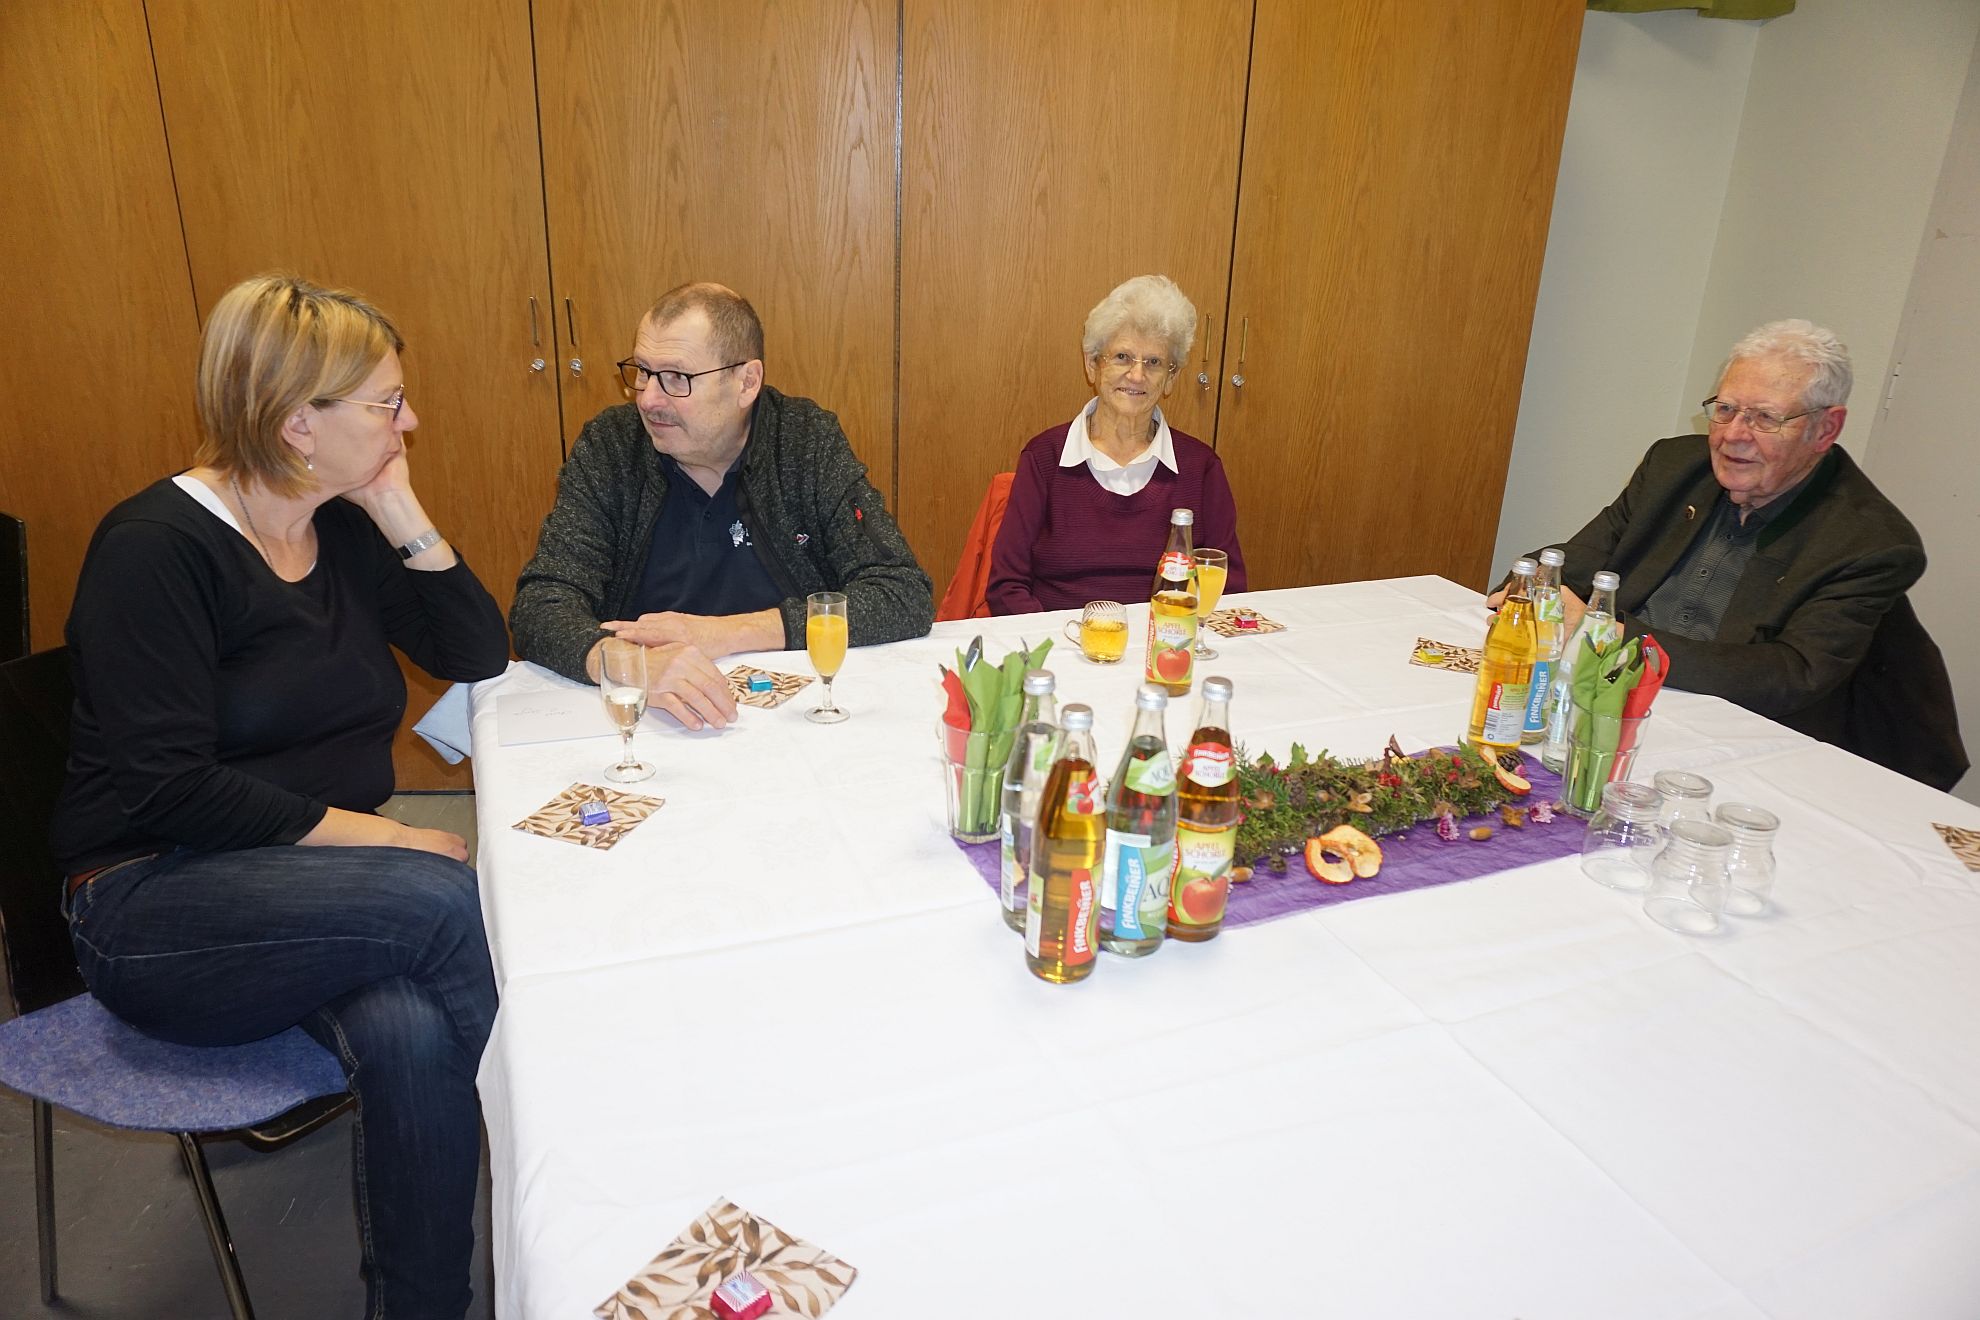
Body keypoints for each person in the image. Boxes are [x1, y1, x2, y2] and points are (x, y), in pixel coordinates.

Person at [52, 275, 511, 1319]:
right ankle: (570, 1143)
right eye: (388, 404)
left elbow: (474, 651)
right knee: (444, 895)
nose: (409, 423)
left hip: (308, 888)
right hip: (151, 901)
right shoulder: (154, 550)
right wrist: (385, 843)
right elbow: (170, 790)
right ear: (299, 423)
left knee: (410, 1032)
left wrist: (396, 505)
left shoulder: (338, 525)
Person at [1503, 318, 1966, 789]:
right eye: (1725, 409)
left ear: (1826, 429)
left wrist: (1617, 638)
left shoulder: (1870, 541)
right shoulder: (1673, 467)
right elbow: (1578, 559)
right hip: (1614, 704)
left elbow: (1794, 674)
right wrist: (1529, 587)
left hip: (1748, 747)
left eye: (1765, 418)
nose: (1732, 435)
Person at [510, 282, 934, 728]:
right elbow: (540, 604)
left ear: (746, 382)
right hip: (653, 715)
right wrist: (624, 664)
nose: (648, 399)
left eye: (677, 378)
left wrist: (725, 633)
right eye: (643, 371)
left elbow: (901, 594)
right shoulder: (612, 447)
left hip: (794, 713)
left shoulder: (804, 441)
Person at [987, 274, 1248, 614]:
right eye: (1122, 357)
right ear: (1092, 365)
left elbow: (1228, 588)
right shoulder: (1044, 458)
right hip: (1065, 640)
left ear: (1170, 378)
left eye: (1154, 362)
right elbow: (1006, 586)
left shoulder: (1201, 468)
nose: (1137, 376)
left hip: (1167, 638)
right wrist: (1055, 641)